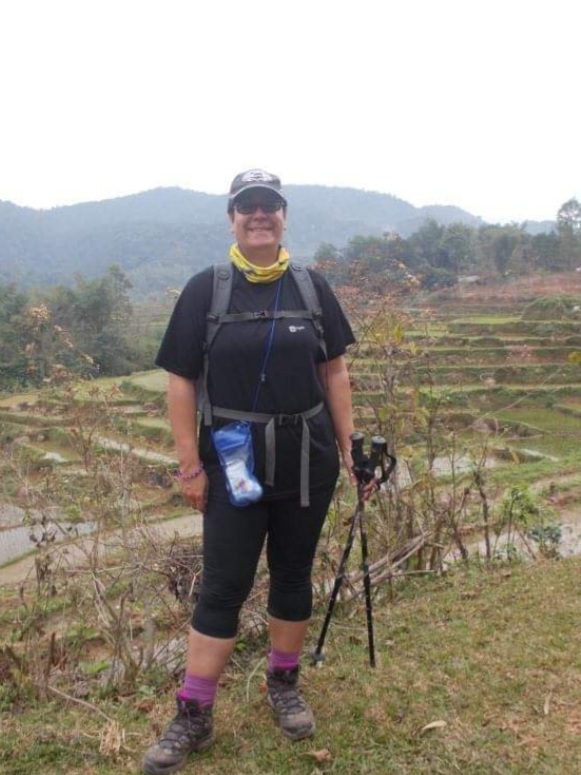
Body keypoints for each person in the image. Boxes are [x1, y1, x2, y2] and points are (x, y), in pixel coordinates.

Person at [144, 169, 358, 774]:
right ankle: (194, 711)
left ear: (284, 216)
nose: (259, 215)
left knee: (293, 574)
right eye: (248, 207)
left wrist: (348, 448)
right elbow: (181, 380)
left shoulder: (312, 288)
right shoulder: (205, 292)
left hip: (306, 459)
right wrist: (190, 465)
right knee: (223, 585)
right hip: (232, 460)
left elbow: (334, 372)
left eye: (269, 206)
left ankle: (283, 683)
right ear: (232, 218)